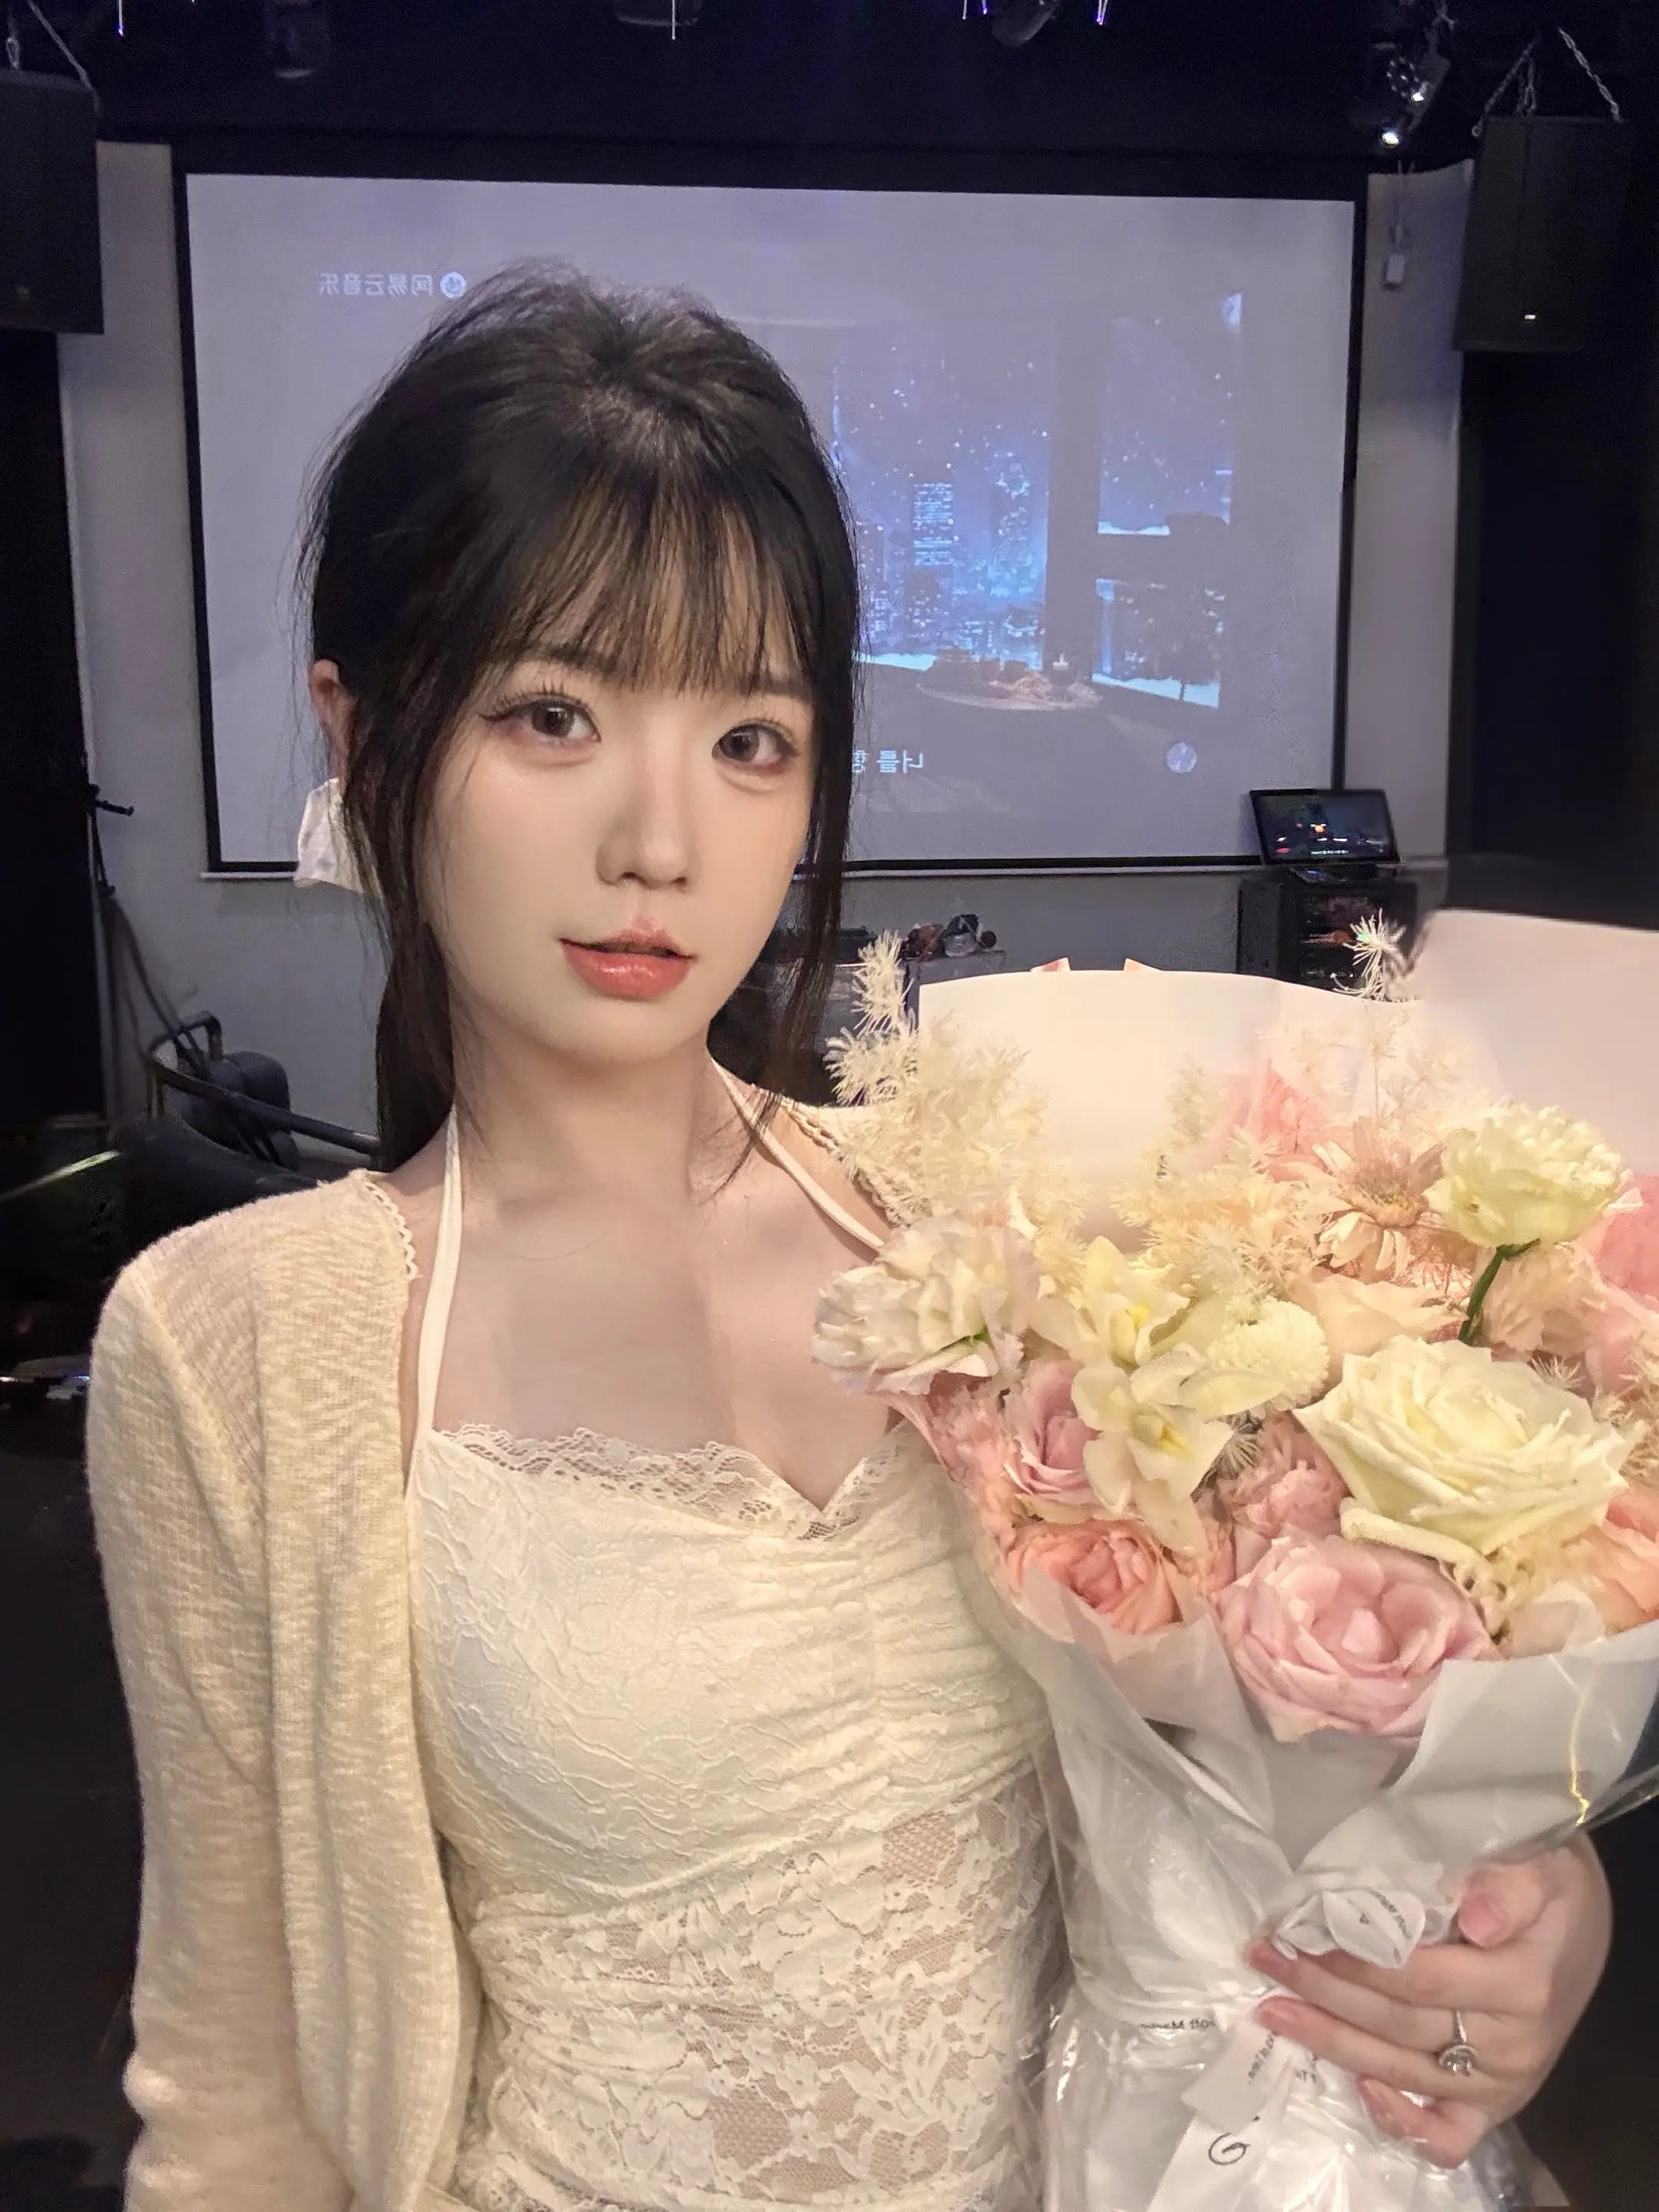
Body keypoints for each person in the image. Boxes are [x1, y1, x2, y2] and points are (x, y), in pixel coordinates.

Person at [87, 271, 1608, 2212]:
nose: (661, 843)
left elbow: (1319, 1733)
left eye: (751, 739)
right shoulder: (240, 1341)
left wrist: (1525, 1897)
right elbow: (233, 2082)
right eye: (553, 715)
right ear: (362, 733)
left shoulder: (1013, 1210)